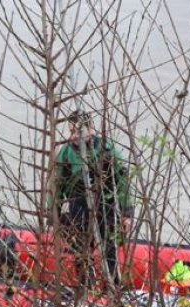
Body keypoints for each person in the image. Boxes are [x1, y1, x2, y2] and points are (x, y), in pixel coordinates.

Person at [53, 110, 134, 287]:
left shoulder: (107, 149)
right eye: (71, 132)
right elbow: (56, 188)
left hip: (106, 205)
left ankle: (113, 287)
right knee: (81, 252)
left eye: (78, 131)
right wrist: (55, 217)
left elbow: (123, 182)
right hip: (78, 207)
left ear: (91, 129)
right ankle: (86, 288)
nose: (74, 136)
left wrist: (127, 213)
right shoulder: (66, 154)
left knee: (110, 250)